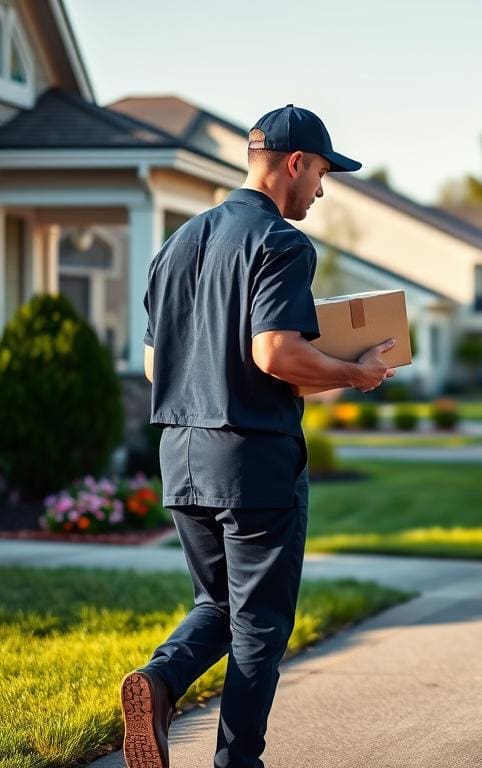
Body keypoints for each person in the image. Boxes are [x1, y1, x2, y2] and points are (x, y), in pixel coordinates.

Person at [119, 104, 395, 768]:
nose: (322, 191)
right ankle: (237, 763)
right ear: (294, 163)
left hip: (181, 457)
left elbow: (158, 364)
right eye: (322, 174)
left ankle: (156, 682)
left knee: (215, 605)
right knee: (260, 626)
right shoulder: (281, 242)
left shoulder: (177, 243)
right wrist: (355, 374)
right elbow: (277, 353)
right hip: (252, 462)